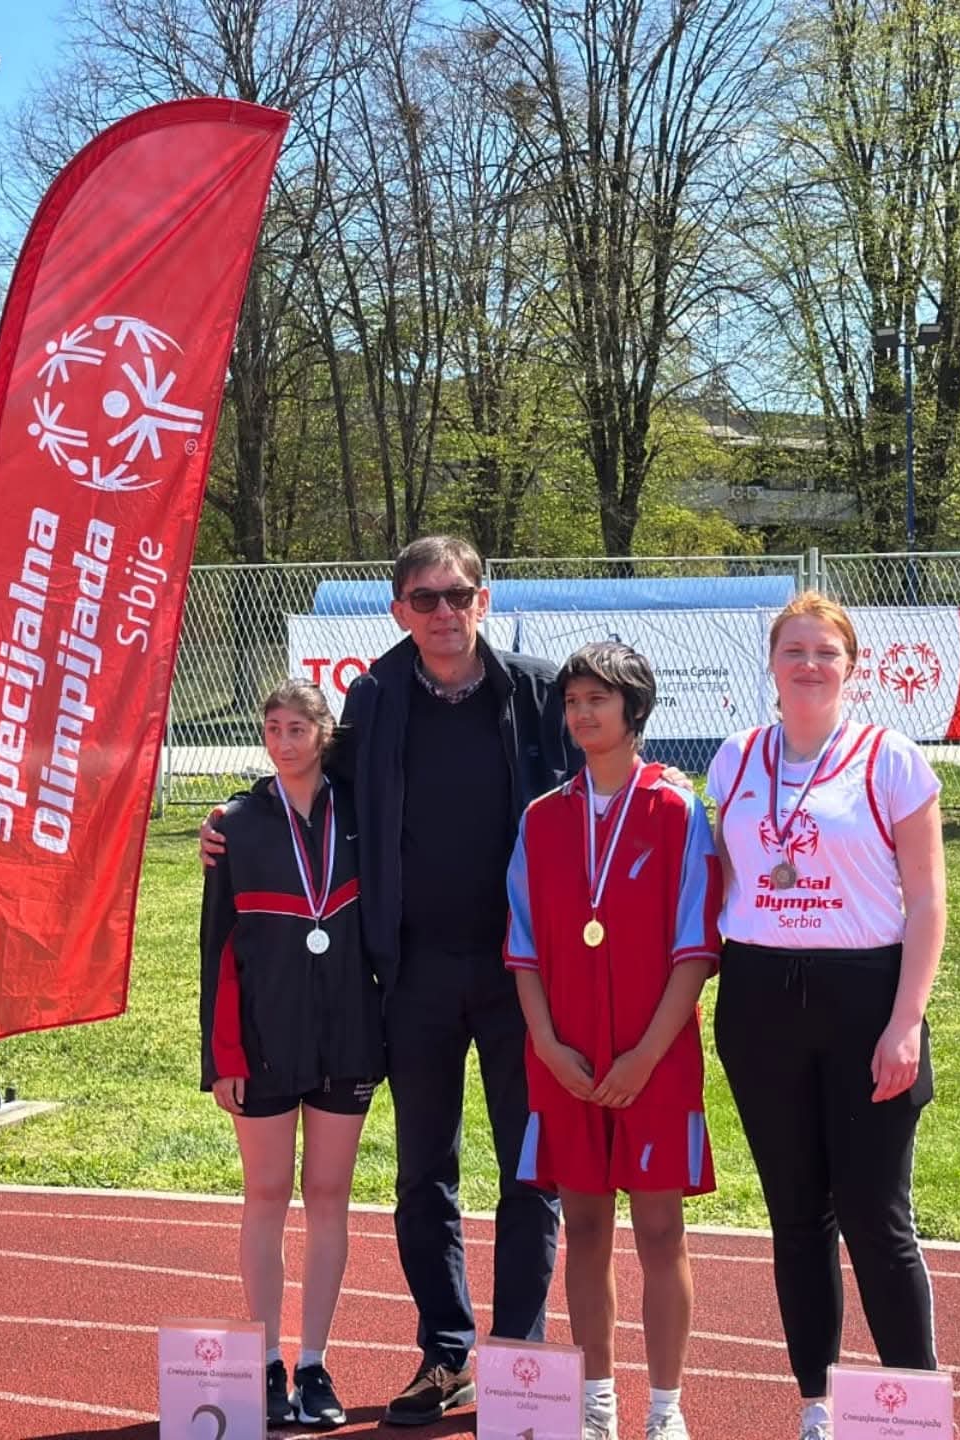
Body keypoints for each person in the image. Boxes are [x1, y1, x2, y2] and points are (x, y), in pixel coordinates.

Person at [203, 535, 580, 1425]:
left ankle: (518, 1359)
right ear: (398, 610)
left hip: (522, 975)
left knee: (532, 1171)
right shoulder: (375, 697)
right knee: (424, 1177)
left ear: (485, 599)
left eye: (458, 595)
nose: (444, 612)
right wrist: (239, 812)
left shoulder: (536, 692)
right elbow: (311, 768)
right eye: (425, 598)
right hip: (411, 976)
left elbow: (594, 779)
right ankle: (446, 1355)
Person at [705, 592, 946, 1440]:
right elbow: (724, 880)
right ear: (772, 664)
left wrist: (906, 1020)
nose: (809, 664)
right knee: (797, 1215)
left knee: (876, 1216)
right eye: (794, 651)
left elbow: (927, 900)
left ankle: (914, 1411)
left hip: (864, 997)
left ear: (852, 666)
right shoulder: (735, 759)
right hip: (759, 998)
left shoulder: (892, 759)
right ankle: (818, 1404)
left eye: (825, 652)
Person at [504, 642, 722, 1440]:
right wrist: (546, 1044)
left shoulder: (676, 809)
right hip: (564, 1060)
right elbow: (523, 947)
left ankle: (665, 1410)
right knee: (586, 1230)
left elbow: (695, 948)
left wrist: (645, 1056)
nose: (582, 714)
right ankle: (597, 1404)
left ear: (635, 709)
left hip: (653, 1060)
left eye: (598, 699)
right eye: (572, 702)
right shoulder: (542, 818)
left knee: (661, 1232)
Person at [199, 679, 384, 1430]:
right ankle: (268, 1362)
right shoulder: (237, 825)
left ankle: (314, 1362)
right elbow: (216, 949)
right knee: (267, 1193)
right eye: (272, 728)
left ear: (324, 733)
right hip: (263, 1037)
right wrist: (222, 1057)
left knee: (329, 1196)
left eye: (297, 728)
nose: (283, 742)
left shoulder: (361, 817)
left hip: (347, 1034)